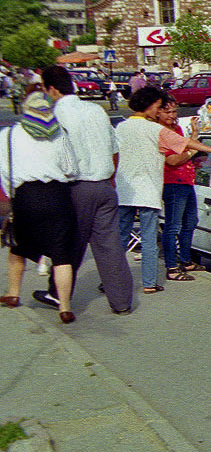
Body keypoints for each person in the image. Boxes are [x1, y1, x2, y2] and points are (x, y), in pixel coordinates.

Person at [38, 65, 134, 315]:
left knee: (69, 244)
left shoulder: (53, 115)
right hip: (104, 185)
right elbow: (115, 149)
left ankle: (58, 294)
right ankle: (122, 301)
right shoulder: (96, 111)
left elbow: (50, 157)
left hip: (75, 187)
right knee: (110, 246)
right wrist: (110, 178)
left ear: (51, 89)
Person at [115, 86, 211, 295]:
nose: (158, 111)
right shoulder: (155, 130)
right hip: (147, 190)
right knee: (149, 239)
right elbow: (184, 143)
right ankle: (149, 283)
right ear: (149, 106)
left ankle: (110, 280)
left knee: (122, 238)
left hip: (124, 190)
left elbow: (114, 156)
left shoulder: (120, 127)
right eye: (158, 107)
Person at [1, 91, 79, 323]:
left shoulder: (9, 135)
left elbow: (4, 171)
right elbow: (71, 168)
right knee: (62, 255)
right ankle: (64, 308)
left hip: (26, 196)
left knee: (18, 248)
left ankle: (13, 294)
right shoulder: (60, 134)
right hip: (58, 196)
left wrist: (14, 195)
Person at [158, 97, 204, 282]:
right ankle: (171, 266)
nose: (171, 115)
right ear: (158, 112)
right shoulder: (161, 133)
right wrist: (191, 153)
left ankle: (186, 260)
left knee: (190, 221)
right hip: (172, 183)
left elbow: (186, 149)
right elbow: (172, 160)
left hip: (186, 181)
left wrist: (194, 133)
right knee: (173, 226)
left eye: (174, 111)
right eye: (167, 111)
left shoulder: (175, 129)